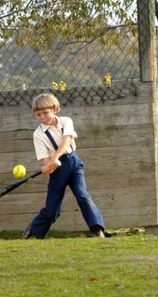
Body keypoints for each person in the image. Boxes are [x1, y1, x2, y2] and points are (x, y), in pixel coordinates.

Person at [22, 93, 108, 239]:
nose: (42, 117)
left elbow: (66, 141)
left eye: (46, 113)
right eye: (38, 114)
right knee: (52, 209)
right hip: (58, 172)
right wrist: (48, 167)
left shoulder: (66, 121)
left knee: (82, 195)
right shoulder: (38, 134)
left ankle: (97, 230)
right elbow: (45, 160)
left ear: (55, 109)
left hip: (74, 164)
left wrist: (55, 158)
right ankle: (34, 230)